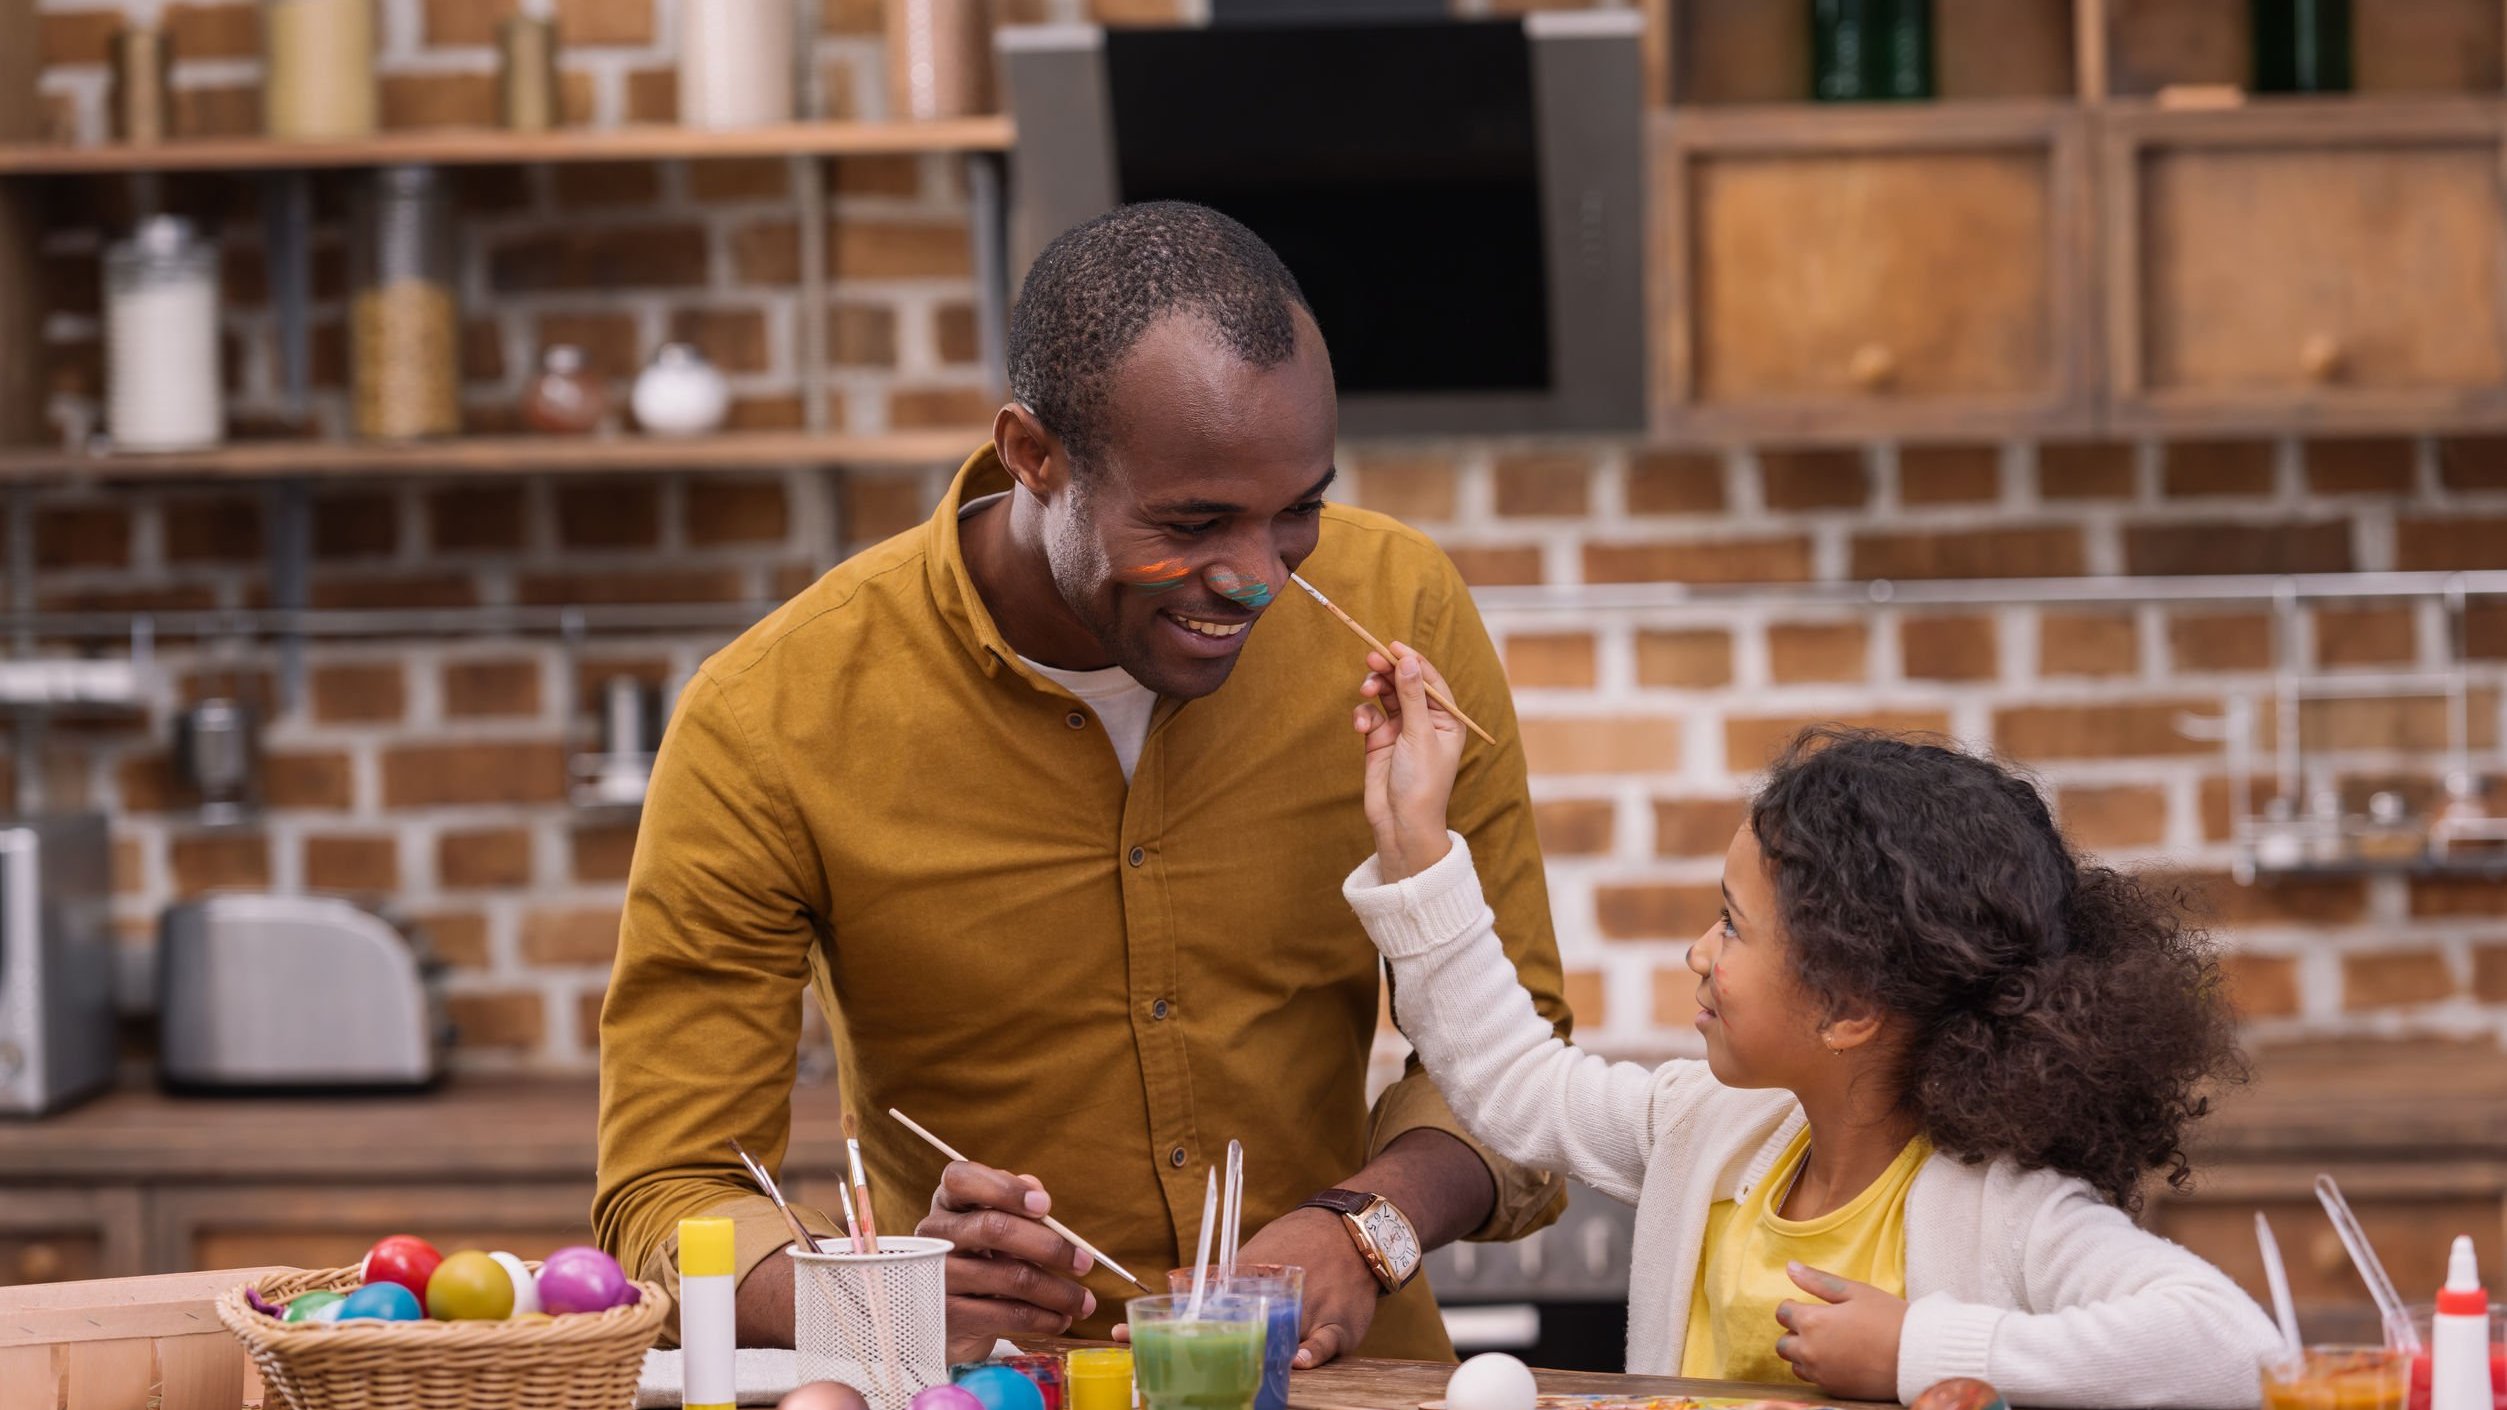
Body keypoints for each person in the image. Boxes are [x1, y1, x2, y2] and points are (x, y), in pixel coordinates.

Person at [592, 201, 1573, 1365]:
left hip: (1348, 1387)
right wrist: (878, 1298)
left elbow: (1518, 1063)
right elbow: (667, 1189)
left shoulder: (1401, 613)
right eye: (1194, 522)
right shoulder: (771, 718)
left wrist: (1368, 1224)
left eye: (1297, 510)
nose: (1256, 579)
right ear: (1031, 456)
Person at [1338, 649, 2282, 1407]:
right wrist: (1416, 840)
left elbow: (2236, 1352)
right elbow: (1512, 1083)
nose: (1697, 954)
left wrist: (1920, 1350)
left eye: (1733, 928)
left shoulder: (2006, 1211)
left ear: (1848, 1010)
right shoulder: (1704, 1132)